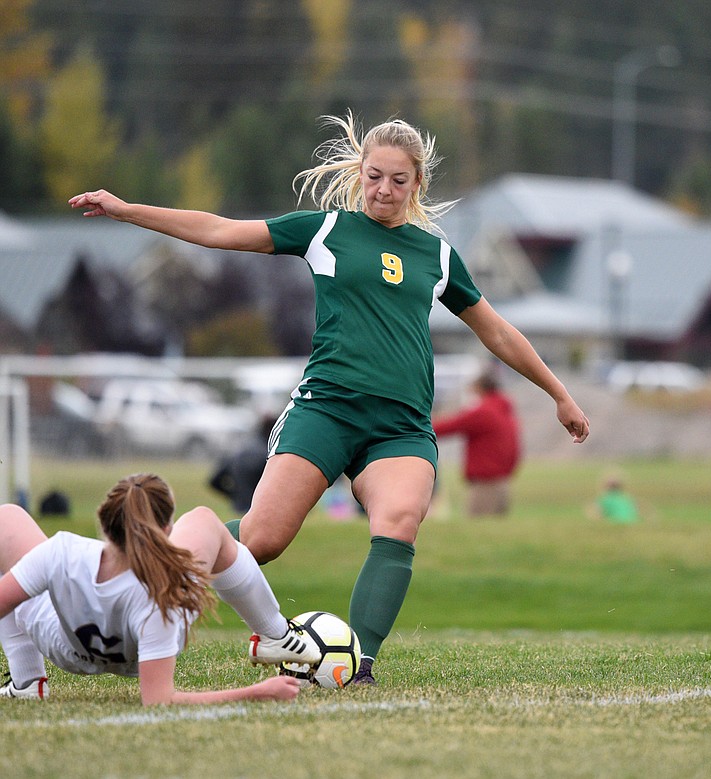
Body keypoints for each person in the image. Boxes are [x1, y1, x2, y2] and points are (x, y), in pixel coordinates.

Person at [69, 112, 590, 687]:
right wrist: (126, 210)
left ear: (417, 183)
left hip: (401, 426)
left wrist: (559, 395)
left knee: (399, 520)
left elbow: (497, 332)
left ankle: (356, 666)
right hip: (326, 409)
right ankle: (126, 577)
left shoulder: (437, 256)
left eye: (397, 180)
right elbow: (218, 229)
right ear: (359, 173)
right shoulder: (324, 230)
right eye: (374, 177)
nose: (383, 190)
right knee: (263, 539)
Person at [0, 472, 319, 705]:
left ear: (104, 522)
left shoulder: (60, 553)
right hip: (138, 654)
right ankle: (276, 635)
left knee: (6, 518)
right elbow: (159, 699)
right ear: (167, 530)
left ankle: (27, 680)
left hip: (60, 643)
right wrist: (256, 692)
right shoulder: (164, 595)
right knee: (204, 520)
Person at [432, 371, 521, 518]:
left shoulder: (484, 412)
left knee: (478, 525)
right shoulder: (504, 410)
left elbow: (450, 426)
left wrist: (417, 427)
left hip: (485, 483)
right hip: (502, 481)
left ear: (480, 388)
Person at [208, 414, 276, 515]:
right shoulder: (270, 455)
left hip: (238, 509)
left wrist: (235, 496)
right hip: (262, 509)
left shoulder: (239, 451)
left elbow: (214, 481)